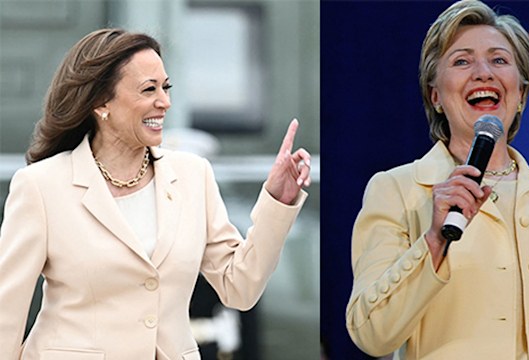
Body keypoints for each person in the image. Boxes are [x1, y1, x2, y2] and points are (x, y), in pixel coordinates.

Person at [345, 1, 529, 359]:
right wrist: (435, 240)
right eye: (462, 61)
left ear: (521, 94)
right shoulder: (397, 190)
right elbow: (372, 333)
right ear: (435, 95)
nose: (483, 72)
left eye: (499, 60)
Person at [0, 28, 311, 360]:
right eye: (149, 89)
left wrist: (277, 200)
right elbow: (6, 313)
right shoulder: (40, 186)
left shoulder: (194, 175)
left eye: (166, 87)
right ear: (100, 103)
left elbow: (241, 287)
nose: (165, 102)